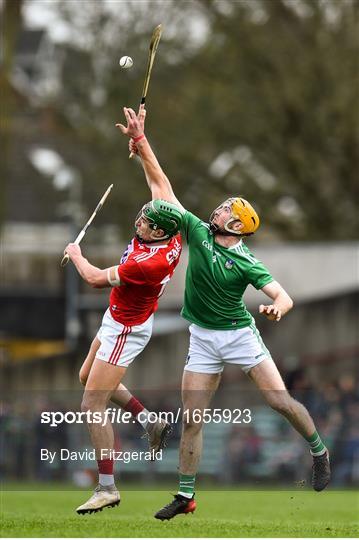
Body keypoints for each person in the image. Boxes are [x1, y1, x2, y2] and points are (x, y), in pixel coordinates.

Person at [116, 106, 331, 521]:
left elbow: (282, 294)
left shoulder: (246, 261)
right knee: (192, 418)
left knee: (279, 401)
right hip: (203, 337)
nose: (216, 210)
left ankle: (319, 450)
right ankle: (185, 496)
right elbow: (163, 188)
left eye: (225, 210)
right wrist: (141, 142)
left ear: (235, 225)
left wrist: (276, 307)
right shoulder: (197, 230)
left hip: (238, 334)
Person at [64, 196, 183, 514]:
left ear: (159, 233)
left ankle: (106, 487)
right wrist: (141, 145)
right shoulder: (172, 229)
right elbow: (162, 187)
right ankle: (150, 422)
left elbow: (92, 278)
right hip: (117, 317)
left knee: (91, 404)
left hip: (126, 329)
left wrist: (76, 254)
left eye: (145, 221)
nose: (139, 221)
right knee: (85, 376)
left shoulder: (147, 264)